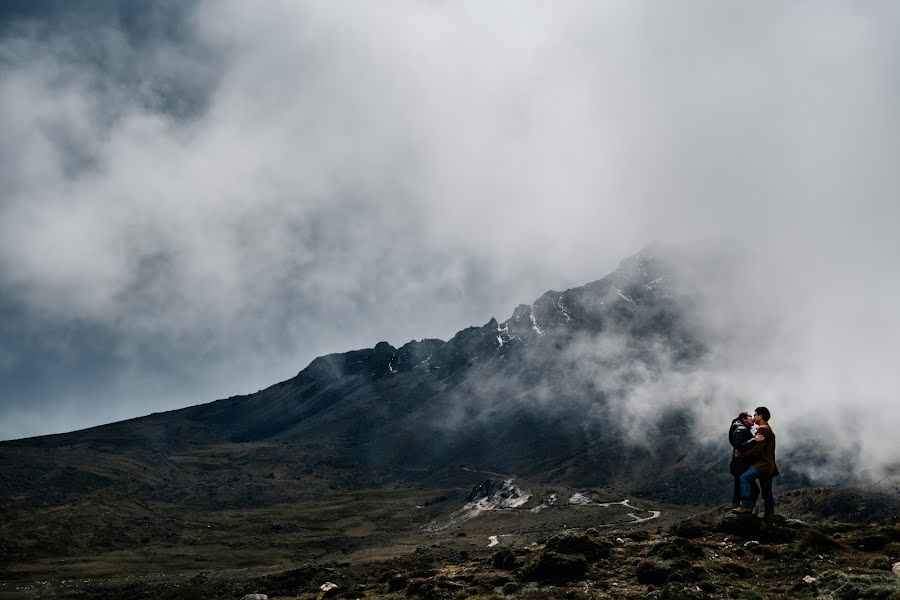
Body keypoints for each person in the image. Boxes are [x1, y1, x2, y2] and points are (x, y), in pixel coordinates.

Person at [733, 406, 778, 520]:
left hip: (762, 465)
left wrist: (743, 454)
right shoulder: (768, 428)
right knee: (767, 492)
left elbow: (758, 449)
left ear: (760, 416)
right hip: (769, 466)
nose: (754, 417)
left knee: (744, 478)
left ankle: (746, 506)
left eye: (755, 415)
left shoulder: (762, 429)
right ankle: (769, 516)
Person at [728, 412, 762, 508]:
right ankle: (746, 511)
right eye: (750, 416)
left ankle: (738, 511)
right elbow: (739, 445)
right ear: (744, 419)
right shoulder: (741, 429)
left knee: (738, 489)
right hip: (741, 465)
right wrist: (754, 440)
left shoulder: (741, 428)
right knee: (754, 490)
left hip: (738, 464)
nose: (752, 418)